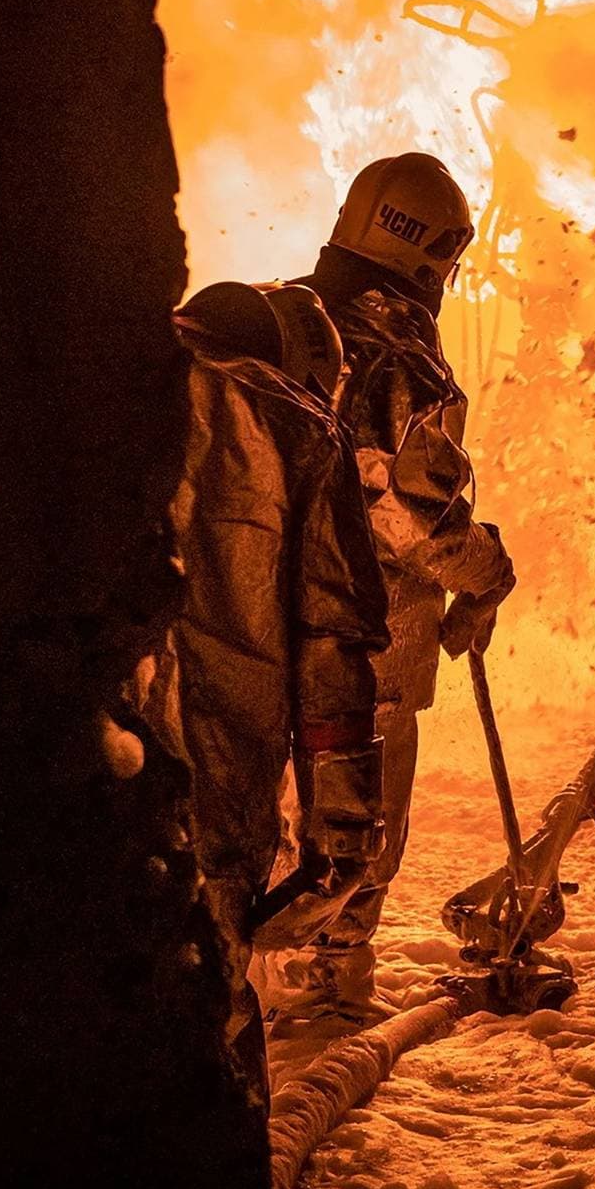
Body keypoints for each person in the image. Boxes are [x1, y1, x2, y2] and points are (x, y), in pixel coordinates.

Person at [272, 152, 516, 1022]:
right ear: (434, 250)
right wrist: (484, 569)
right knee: (352, 828)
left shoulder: (278, 321)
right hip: (363, 640)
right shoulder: (396, 354)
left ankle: (256, 992)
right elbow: (409, 510)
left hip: (254, 630)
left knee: (267, 822)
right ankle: (325, 999)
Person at [135, 281, 391, 1097]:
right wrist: (342, 827)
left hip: (73, 762)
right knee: (206, 1002)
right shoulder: (296, 423)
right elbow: (334, 638)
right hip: (218, 775)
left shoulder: (94, 379)